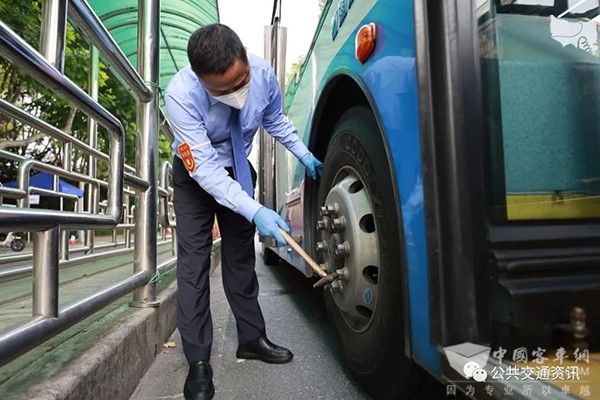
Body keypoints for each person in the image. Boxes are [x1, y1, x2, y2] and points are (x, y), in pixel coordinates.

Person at [165, 23, 323, 400]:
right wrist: (255, 210)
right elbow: (203, 170)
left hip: (238, 166)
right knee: (193, 264)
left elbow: (274, 119)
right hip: (195, 178)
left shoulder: (263, 73)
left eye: (242, 81)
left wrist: (302, 152)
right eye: (224, 90)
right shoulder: (180, 95)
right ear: (202, 81)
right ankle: (199, 361)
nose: (238, 92)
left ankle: (251, 338)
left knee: (240, 259)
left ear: (244, 58)